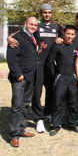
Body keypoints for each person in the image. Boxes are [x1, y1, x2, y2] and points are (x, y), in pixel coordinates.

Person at [7, 4, 64, 133]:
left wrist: (60, 37)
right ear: (41, 13)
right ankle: (39, 118)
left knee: (51, 91)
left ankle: (48, 113)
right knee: (36, 93)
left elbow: (67, 33)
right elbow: (20, 33)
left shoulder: (56, 26)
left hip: (50, 64)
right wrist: (9, 37)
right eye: (45, 12)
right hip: (37, 64)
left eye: (49, 12)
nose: (47, 14)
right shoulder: (36, 25)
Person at [7, 16, 40, 148]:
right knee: (17, 106)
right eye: (31, 24)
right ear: (25, 24)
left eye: (35, 25)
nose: (33, 27)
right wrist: (18, 74)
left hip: (31, 77)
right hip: (20, 78)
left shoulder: (35, 36)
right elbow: (11, 58)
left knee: (26, 104)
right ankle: (14, 135)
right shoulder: (17, 38)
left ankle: (21, 129)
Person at [47, 25, 78, 136]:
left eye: (72, 34)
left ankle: (73, 123)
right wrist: (55, 75)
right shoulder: (57, 46)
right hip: (60, 77)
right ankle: (56, 125)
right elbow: (50, 62)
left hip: (72, 77)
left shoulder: (77, 46)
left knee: (73, 103)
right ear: (64, 34)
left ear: (74, 35)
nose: (69, 36)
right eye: (68, 34)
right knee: (57, 102)